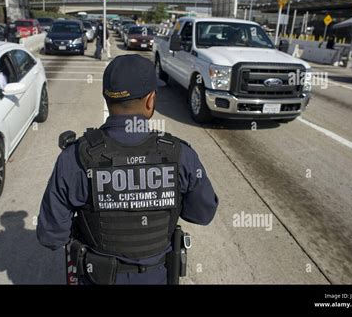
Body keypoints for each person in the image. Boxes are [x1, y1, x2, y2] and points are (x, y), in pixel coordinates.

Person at [37, 54, 218, 285]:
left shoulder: (74, 157)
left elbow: (51, 236)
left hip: (95, 277)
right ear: (151, 100)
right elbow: (203, 214)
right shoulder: (180, 155)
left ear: (105, 98)